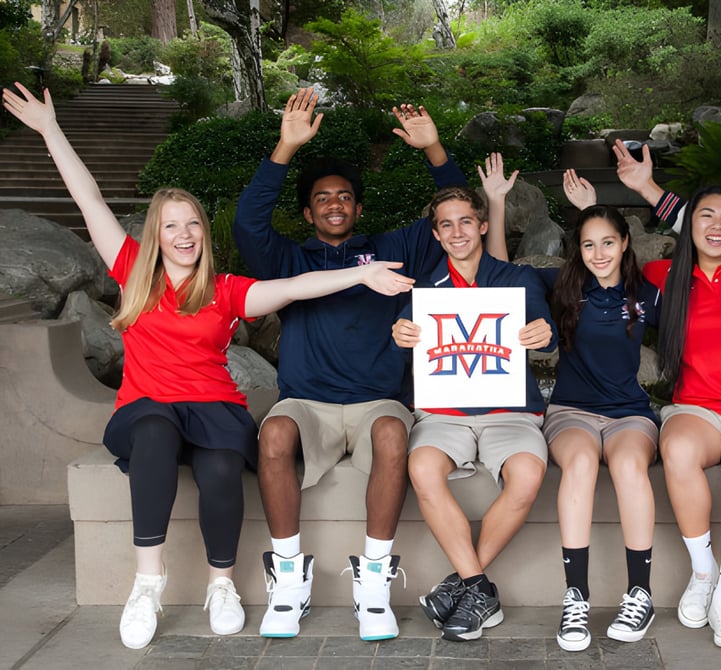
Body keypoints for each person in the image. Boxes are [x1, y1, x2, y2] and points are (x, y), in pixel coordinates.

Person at [1, 82, 415, 650]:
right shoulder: (131, 271)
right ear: (155, 234)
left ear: (203, 233)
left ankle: (221, 586)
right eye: (171, 225)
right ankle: (147, 584)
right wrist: (51, 131)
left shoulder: (225, 291)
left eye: (193, 223)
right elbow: (89, 200)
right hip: (150, 407)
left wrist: (358, 273)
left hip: (214, 409)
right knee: (150, 432)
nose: (184, 234)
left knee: (222, 469)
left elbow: (295, 285)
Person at [231, 89, 506, 641]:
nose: (335, 204)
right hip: (306, 403)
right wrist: (284, 148)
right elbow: (247, 225)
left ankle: (374, 578)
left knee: (390, 432)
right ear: (309, 212)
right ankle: (289, 575)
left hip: (377, 402)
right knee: (275, 434)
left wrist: (435, 151)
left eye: (346, 197)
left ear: (358, 208)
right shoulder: (291, 260)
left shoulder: (392, 248)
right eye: (323, 198)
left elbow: (455, 219)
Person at [567, 144, 721, 650]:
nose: (716, 225)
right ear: (689, 226)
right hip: (696, 407)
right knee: (678, 451)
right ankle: (704, 573)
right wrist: (592, 213)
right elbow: (607, 263)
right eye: (704, 215)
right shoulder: (661, 279)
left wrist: (650, 190)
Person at [392, 183, 556, 642]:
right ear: (437, 234)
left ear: (483, 225)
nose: (457, 231)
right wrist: (401, 335)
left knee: (526, 474)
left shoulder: (517, 278)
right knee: (422, 466)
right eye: (447, 225)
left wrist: (543, 334)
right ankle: (480, 589)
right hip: (443, 412)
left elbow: (546, 330)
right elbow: (407, 342)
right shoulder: (426, 287)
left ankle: (462, 586)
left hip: (509, 410)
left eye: (466, 221)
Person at [537, 171, 664, 652]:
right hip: (572, 411)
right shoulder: (563, 287)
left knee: (631, 463)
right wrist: (497, 203)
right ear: (579, 250)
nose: (599, 253)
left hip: (629, 413)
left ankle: (640, 593)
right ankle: (576, 597)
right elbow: (501, 275)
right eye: (589, 245)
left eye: (608, 242)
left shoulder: (645, 293)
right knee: (583, 461)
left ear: (626, 242)